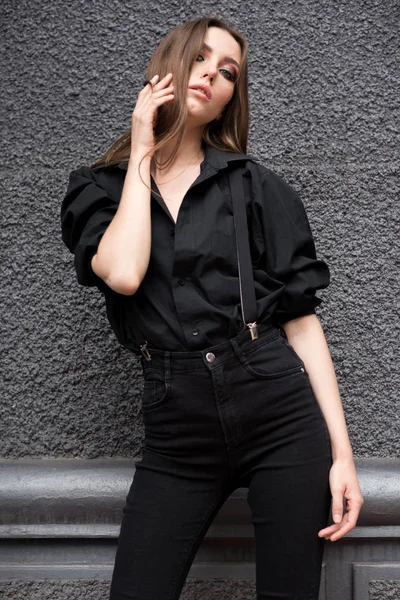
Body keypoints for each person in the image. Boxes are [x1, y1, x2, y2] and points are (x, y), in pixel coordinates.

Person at [60, 15, 364, 600]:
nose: (211, 75)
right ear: (164, 67)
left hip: (277, 409)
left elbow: (301, 321)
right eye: (199, 58)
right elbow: (123, 274)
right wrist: (144, 150)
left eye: (228, 72)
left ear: (231, 99)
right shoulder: (97, 189)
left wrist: (343, 457)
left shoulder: (254, 187)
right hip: (176, 427)